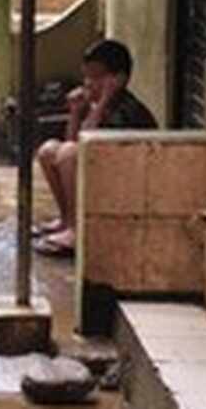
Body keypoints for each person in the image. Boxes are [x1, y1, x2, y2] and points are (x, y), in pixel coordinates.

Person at [34, 39, 158, 257]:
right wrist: (74, 112)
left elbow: (86, 141)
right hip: (102, 169)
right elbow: (71, 141)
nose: (89, 84)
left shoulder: (126, 109)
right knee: (49, 150)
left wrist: (101, 103)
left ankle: (76, 230)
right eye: (87, 77)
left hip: (129, 182)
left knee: (68, 154)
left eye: (97, 78)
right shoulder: (96, 105)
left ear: (117, 80)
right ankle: (67, 220)